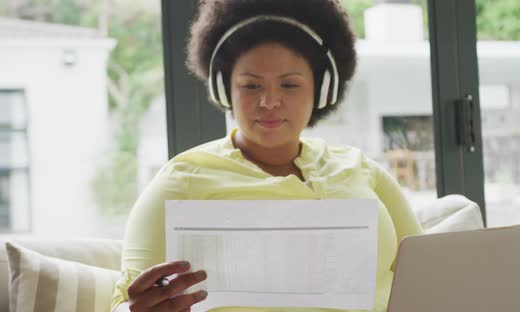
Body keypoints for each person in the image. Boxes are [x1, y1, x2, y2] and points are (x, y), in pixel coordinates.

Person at [111, 0, 423, 311]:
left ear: (322, 89)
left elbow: (431, 275)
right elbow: (123, 305)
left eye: (290, 84)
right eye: (250, 85)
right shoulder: (181, 181)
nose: (269, 101)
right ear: (224, 90)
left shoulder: (361, 170)